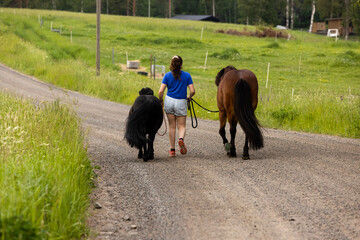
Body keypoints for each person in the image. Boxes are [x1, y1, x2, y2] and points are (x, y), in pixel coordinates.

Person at [158, 55, 195, 157]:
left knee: (172, 126)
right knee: (181, 125)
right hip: (181, 102)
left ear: (171, 64)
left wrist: (160, 100)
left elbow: (161, 91)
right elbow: (192, 91)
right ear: (181, 64)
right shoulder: (187, 76)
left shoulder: (167, 75)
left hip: (169, 101)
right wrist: (189, 97)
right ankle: (181, 139)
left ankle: (172, 150)